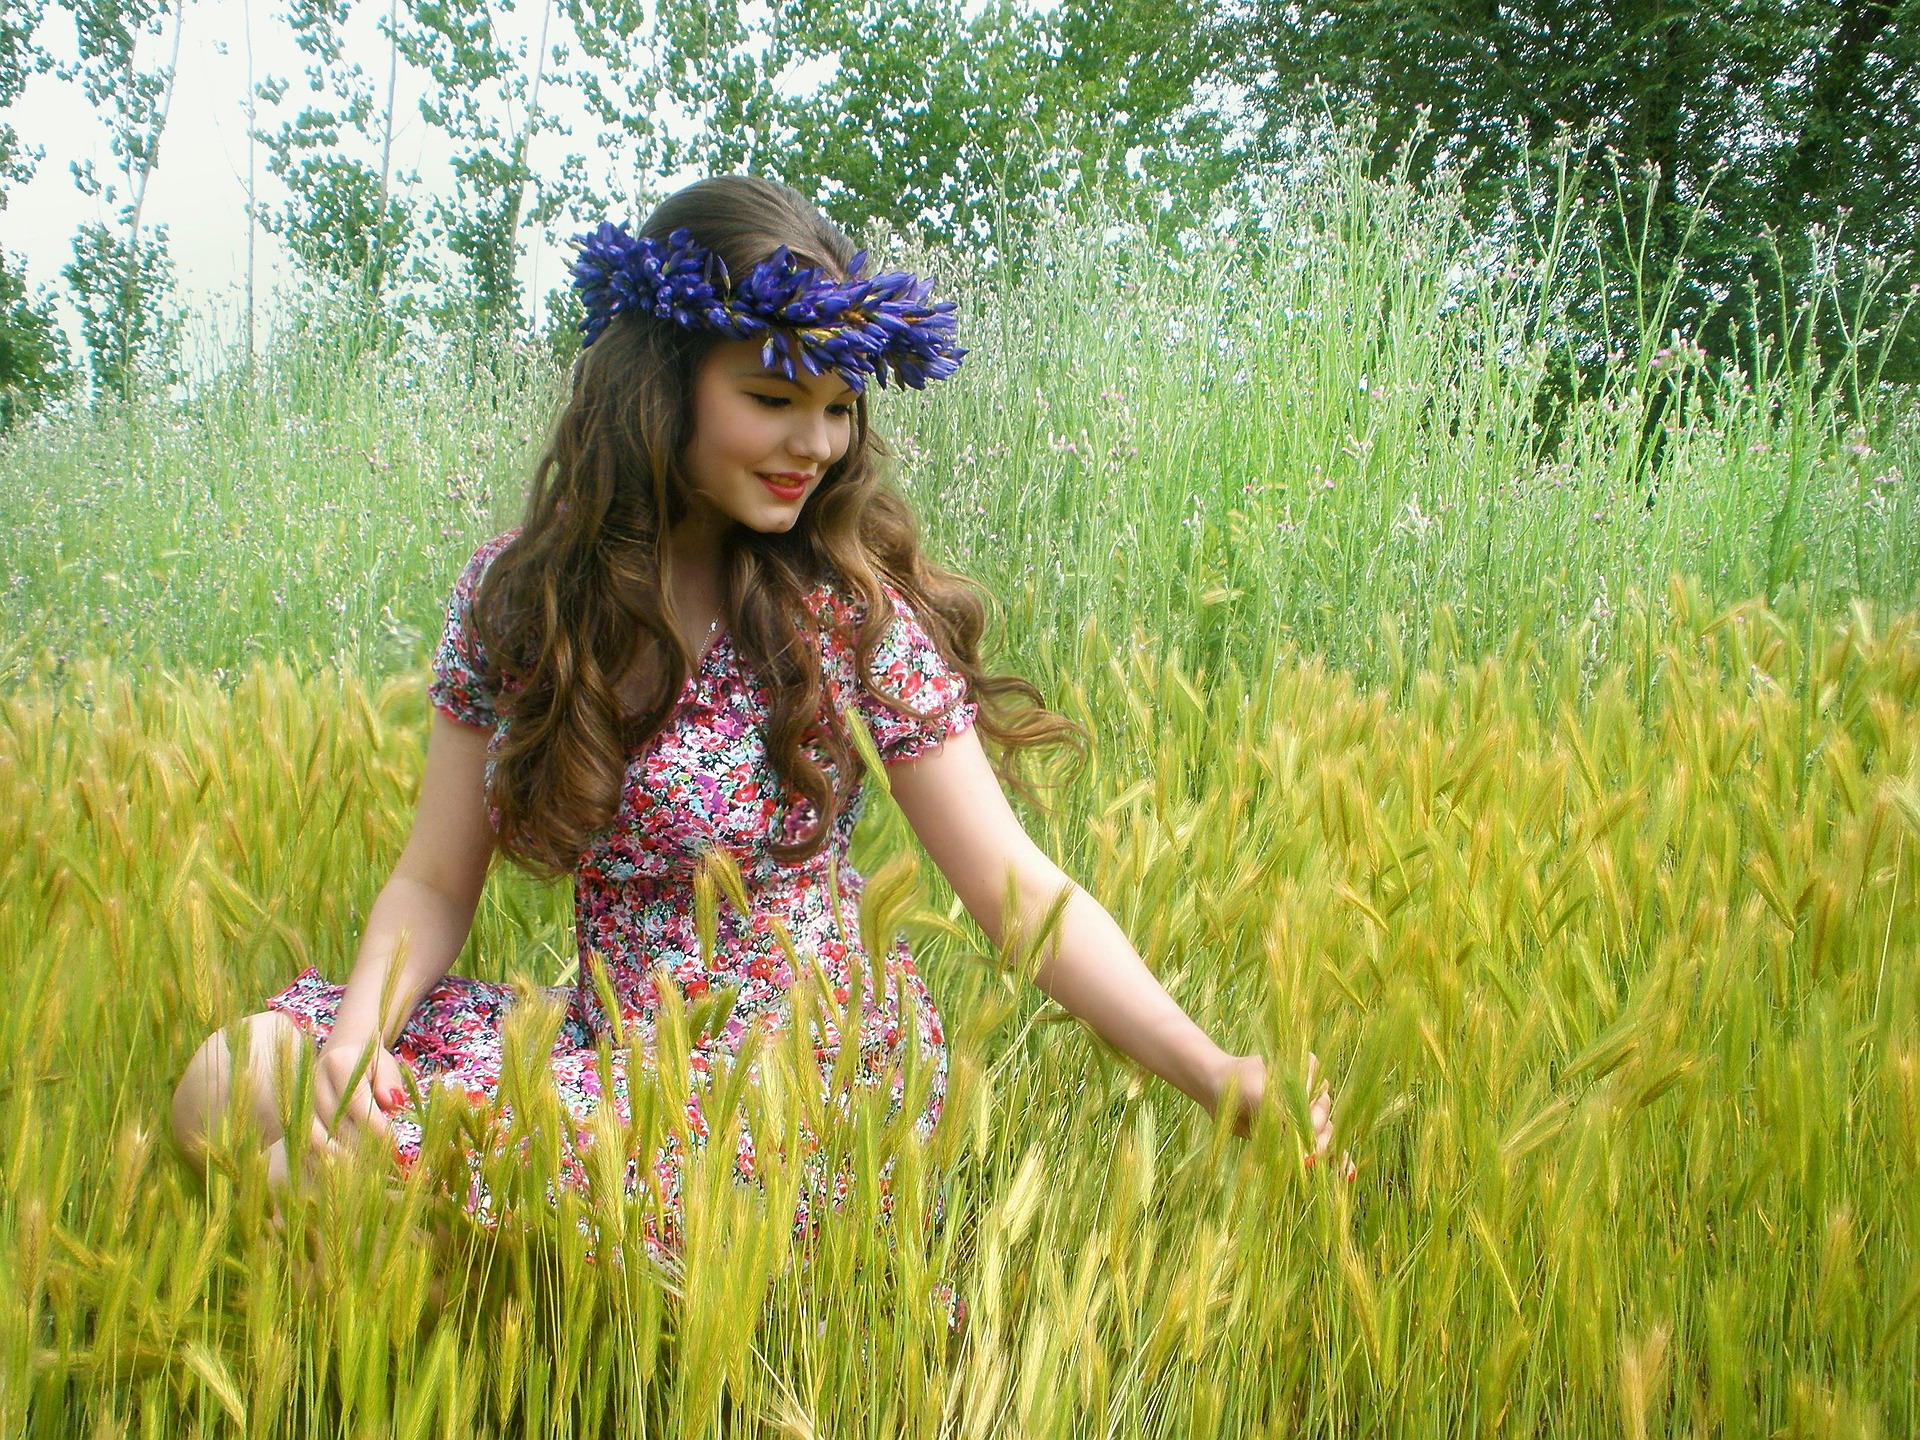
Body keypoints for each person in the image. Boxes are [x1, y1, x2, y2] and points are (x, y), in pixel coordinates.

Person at [168, 175, 1339, 1332]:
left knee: (328, 1181)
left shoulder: (842, 613)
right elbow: (433, 880)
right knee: (234, 1077)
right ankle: (482, 1279)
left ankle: (481, 1302)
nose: (816, 444)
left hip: (793, 1075)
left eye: (838, 408)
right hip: (605, 1034)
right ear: (660, 384)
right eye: (776, 397)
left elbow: (1018, 890)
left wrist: (1212, 1067)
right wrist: (360, 1036)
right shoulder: (522, 597)